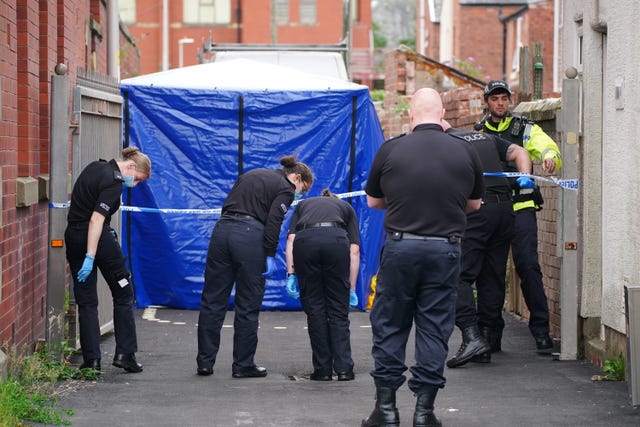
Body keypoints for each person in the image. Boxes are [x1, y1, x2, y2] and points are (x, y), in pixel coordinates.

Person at [362, 88, 484, 427]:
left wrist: (403, 201)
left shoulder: (391, 148)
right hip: (445, 248)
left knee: (390, 325)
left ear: (411, 114)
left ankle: (385, 410)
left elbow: (373, 202)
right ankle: (424, 412)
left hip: (402, 246)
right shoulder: (465, 151)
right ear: (443, 114)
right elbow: (473, 204)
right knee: (434, 327)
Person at [196, 155, 313, 378]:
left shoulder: (251, 174)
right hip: (250, 237)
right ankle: (243, 364)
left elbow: (228, 204)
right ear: (296, 177)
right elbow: (273, 223)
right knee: (248, 303)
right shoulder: (286, 188)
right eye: (303, 189)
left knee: (212, 299)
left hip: (221, 232)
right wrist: (269, 254)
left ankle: (205, 362)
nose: (300, 194)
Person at [479, 80, 562, 353]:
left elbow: (546, 146)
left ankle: (540, 331)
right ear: (487, 102)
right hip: (493, 210)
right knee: (491, 273)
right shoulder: (478, 133)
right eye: (495, 99)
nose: (500, 103)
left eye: (504, 98)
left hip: (521, 206)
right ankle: (491, 334)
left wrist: (550, 157)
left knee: (528, 267)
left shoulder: (524, 128)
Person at [442, 121, 532, 368]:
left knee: (457, 276)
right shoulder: (483, 137)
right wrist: (524, 177)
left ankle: (472, 337)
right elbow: (519, 152)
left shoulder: (446, 143)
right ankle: (489, 340)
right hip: (505, 210)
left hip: (478, 211)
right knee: (491, 274)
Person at [65, 146, 152, 373]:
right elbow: (95, 220)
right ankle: (125, 354)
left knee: (86, 301)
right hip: (95, 239)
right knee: (124, 293)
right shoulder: (114, 181)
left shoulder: (96, 167)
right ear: (131, 166)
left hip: (73, 235)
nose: (137, 184)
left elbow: (83, 206)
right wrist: (90, 256)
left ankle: (91, 362)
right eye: (139, 179)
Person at [284, 188, 360, 382]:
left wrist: (291, 273)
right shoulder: (346, 207)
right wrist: (350, 288)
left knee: (315, 310)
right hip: (336, 241)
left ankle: (322, 370)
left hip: (306, 242)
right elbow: (354, 251)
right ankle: (344, 370)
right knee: (338, 312)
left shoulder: (303, 205)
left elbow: (291, 239)